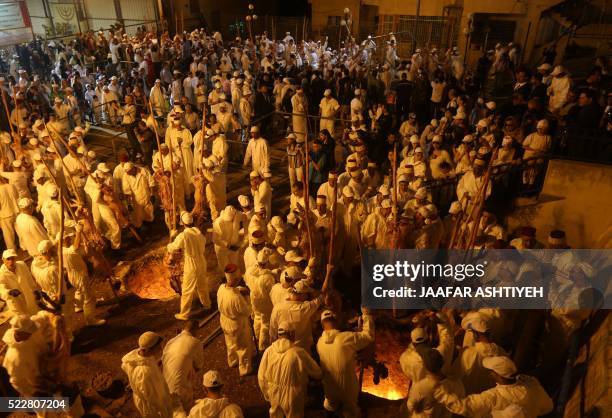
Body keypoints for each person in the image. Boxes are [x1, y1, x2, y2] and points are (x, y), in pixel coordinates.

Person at [440, 356, 553, 417]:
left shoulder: (492, 397)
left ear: (501, 377)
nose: (490, 373)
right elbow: (548, 407)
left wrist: (440, 393)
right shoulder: (532, 385)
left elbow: (462, 407)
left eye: (492, 371)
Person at [317, 309, 374, 417]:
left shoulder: (320, 342)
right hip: (347, 387)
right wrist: (367, 315)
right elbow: (368, 336)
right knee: (350, 411)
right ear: (336, 321)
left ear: (322, 324)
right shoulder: (346, 338)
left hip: (330, 387)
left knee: (329, 406)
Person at [258, 321, 322, 418]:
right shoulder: (298, 353)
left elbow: (261, 377)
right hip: (292, 396)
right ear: (291, 334)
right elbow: (317, 372)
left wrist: (268, 394)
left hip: (273, 393)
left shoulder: (268, 351)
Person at [167, 211, 210, 320]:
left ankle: (184, 314)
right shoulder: (199, 233)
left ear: (182, 223)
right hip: (202, 261)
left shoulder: (184, 235)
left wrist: (172, 236)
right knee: (202, 285)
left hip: (191, 264)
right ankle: (207, 304)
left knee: (187, 290)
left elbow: (172, 248)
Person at [121, 331, 175, 418]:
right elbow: (151, 397)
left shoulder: (136, 355)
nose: (161, 349)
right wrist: (163, 408)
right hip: (151, 408)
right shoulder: (145, 372)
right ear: (148, 349)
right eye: (158, 347)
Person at [216, 264, 254, 376]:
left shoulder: (221, 288)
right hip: (237, 325)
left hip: (224, 320)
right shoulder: (236, 297)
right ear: (236, 279)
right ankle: (245, 369)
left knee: (230, 343)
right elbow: (247, 312)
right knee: (243, 347)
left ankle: (232, 361)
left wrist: (238, 291)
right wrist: (247, 297)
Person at [162, 320, 204, 411]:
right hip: (180, 388)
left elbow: (164, 360)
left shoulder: (170, 342)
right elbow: (199, 365)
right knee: (187, 409)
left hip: (164, 386)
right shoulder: (195, 342)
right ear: (195, 329)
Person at [269, 279, 323, 350]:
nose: (307, 298)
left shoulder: (277, 308)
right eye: (307, 295)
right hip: (303, 349)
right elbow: (322, 296)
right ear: (303, 295)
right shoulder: (304, 308)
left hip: (284, 349)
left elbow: (272, 332)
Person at [2, 315, 46, 397]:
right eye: (29, 332)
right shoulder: (15, 358)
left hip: (39, 376)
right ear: (19, 334)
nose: (32, 333)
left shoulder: (26, 337)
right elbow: (16, 382)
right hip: (32, 387)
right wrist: (31, 393)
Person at [0, 249, 39, 316]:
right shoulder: (1, 273)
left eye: (13, 258)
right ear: (3, 260)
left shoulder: (22, 265)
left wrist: (35, 290)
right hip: (16, 305)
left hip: (29, 299)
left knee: (35, 319)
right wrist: (9, 292)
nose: (11, 261)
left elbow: (29, 279)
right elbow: (1, 289)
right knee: (24, 323)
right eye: (8, 259)